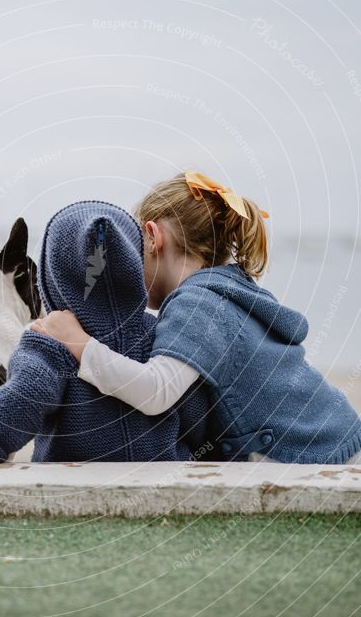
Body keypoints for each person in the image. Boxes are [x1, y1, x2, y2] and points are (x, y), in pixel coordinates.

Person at [32, 172, 361, 464]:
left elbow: (155, 391)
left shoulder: (196, 304)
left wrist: (78, 342)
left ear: (153, 236)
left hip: (319, 454)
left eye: (132, 253)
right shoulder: (223, 290)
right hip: (335, 437)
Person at [0, 200, 209, 466]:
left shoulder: (50, 340)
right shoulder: (159, 334)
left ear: (51, 277)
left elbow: (24, 397)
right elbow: (195, 408)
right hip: (161, 473)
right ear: (135, 267)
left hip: (75, 477)